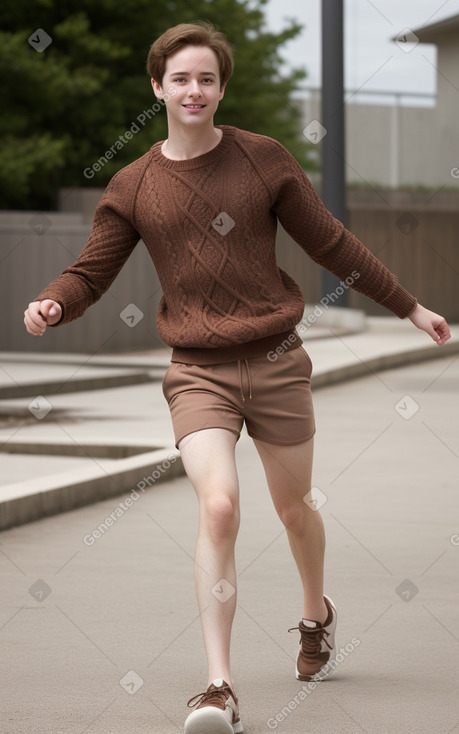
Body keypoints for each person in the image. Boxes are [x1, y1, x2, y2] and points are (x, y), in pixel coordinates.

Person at [24, 21, 451, 734]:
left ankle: (315, 613)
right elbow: (91, 271)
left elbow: (330, 241)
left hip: (278, 363)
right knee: (218, 507)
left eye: (207, 79)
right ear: (155, 87)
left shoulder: (261, 159)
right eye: (180, 78)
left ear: (221, 88)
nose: (194, 90)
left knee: (293, 512)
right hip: (198, 373)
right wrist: (53, 302)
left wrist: (409, 306)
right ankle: (217, 685)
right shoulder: (133, 185)